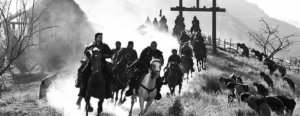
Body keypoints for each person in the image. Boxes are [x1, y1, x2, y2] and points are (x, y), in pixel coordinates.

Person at [83, 32, 114, 99]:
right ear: (96, 38)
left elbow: (110, 54)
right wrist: (90, 54)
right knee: (83, 72)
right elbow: (86, 53)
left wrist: (102, 56)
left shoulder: (105, 46)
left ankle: (108, 91)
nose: (101, 38)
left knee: (110, 74)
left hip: (102, 63)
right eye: (99, 37)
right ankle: (83, 90)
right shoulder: (91, 46)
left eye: (101, 37)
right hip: (92, 63)